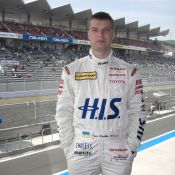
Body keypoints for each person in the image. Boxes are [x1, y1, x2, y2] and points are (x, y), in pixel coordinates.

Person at [55, 12, 146, 175]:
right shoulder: (71, 70)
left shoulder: (130, 72)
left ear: (113, 35)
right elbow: (63, 113)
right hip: (81, 148)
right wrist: (68, 147)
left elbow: (138, 112)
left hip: (118, 149)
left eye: (106, 30)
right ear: (88, 34)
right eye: (95, 30)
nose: (100, 34)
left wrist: (132, 147)